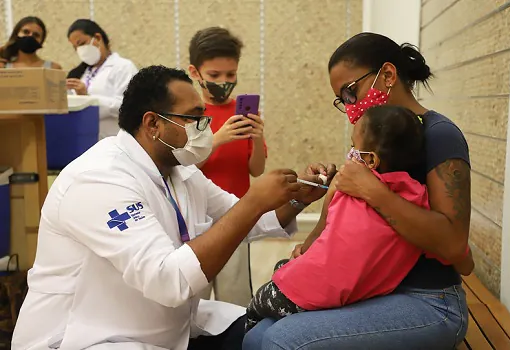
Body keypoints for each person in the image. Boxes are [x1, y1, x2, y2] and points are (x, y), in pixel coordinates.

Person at [12, 65, 334, 350]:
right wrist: (253, 201)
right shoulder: (99, 179)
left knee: (272, 335)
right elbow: (169, 281)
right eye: (194, 118)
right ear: (153, 123)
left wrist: (297, 199)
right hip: (91, 337)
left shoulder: (179, 170)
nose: (204, 129)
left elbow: (245, 219)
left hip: (165, 326)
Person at [243, 32, 474, 350]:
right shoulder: (376, 135)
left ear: (388, 75)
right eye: (343, 100)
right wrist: (332, 195)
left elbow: (453, 244)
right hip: (375, 290)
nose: (351, 108)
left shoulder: (439, 135)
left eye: (351, 92)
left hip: (431, 302)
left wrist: (373, 192)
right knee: (256, 335)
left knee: (279, 342)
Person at [188, 27, 267, 306]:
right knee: (194, 293)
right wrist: (217, 139)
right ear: (195, 72)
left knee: (235, 296)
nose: (224, 81)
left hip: (236, 214)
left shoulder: (243, 113)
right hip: (194, 219)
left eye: (230, 75)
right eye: (214, 75)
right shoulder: (189, 114)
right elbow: (183, 166)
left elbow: (256, 170)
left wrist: (256, 139)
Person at [66, 19, 138, 139]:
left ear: (98, 38)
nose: (79, 50)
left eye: (81, 43)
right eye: (75, 47)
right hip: (86, 141)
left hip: (115, 139)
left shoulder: (123, 67)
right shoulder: (82, 73)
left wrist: (87, 98)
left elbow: (128, 107)